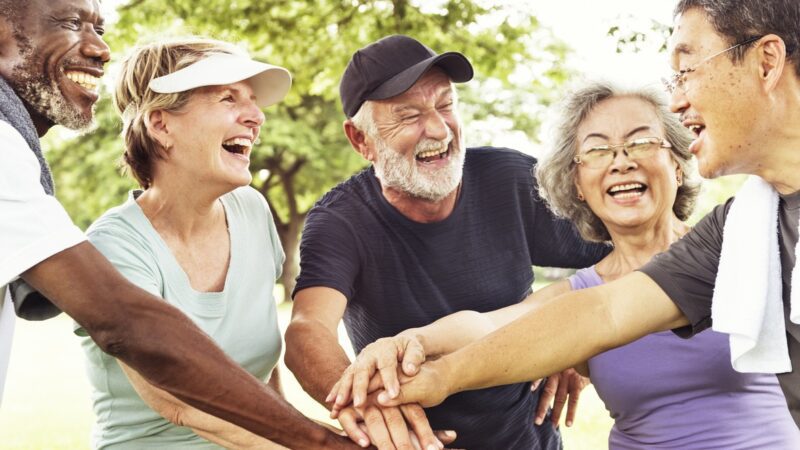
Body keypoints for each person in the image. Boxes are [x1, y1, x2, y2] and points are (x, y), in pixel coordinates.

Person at [367, 0, 800, 430]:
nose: (678, 101)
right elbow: (597, 314)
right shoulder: (740, 232)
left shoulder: (741, 243)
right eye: (597, 150)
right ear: (575, 181)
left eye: (687, 71)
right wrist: (425, 357)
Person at [0, 1, 357, 447]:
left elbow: (261, 381)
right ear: (160, 124)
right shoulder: (114, 245)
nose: (256, 116)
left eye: (252, 100)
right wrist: (327, 445)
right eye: (228, 98)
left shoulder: (251, 211)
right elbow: (180, 404)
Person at [284, 34, 608, 450]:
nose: (437, 129)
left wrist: (578, 343)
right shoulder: (340, 220)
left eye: (445, 104)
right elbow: (307, 328)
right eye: (408, 116)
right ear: (360, 140)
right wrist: (365, 403)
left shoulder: (510, 180)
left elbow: (635, 250)